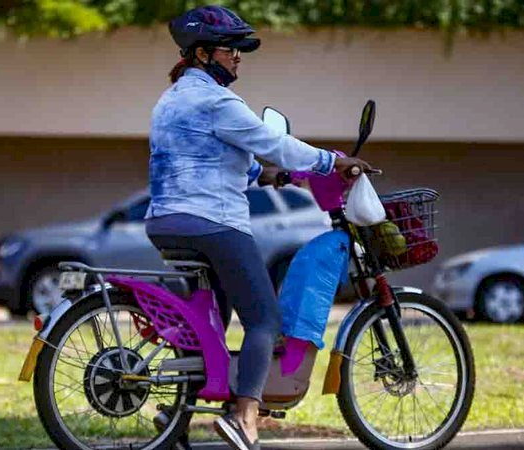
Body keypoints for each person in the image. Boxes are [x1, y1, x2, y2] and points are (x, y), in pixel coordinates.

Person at [145, 6, 374, 450]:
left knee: (212, 317)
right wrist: (333, 161)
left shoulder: (170, 99)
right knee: (264, 318)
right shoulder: (218, 101)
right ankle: (246, 417)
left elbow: (225, 159)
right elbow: (274, 142)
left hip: (166, 221)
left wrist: (273, 176)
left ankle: (179, 411)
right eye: (232, 51)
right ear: (204, 53)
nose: (238, 59)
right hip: (213, 222)